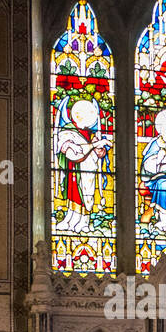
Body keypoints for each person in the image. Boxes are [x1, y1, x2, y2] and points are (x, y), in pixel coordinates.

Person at [55, 97, 112, 234]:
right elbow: (64, 148)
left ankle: (84, 220)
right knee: (73, 192)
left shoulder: (92, 134)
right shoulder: (68, 130)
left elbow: (100, 154)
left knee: (87, 194)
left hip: (88, 171)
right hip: (74, 170)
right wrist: (69, 145)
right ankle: (71, 218)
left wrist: (101, 149)